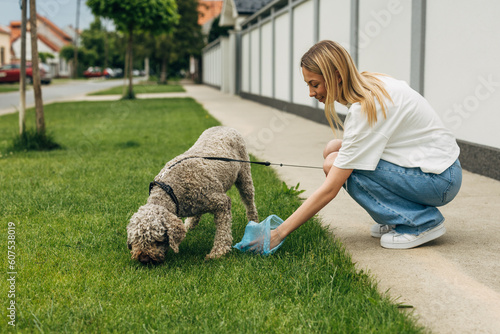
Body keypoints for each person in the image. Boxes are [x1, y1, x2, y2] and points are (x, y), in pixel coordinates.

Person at [269, 40, 462, 250]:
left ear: (337, 77)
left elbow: (329, 189)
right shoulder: (370, 82)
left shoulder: (365, 110)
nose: (311, 93)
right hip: (442, 171)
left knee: (333, 164)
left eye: (314, 84)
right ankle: (399, 216)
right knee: (333, 148)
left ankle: (420, 222)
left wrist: (279, 233)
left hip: (441, 181)